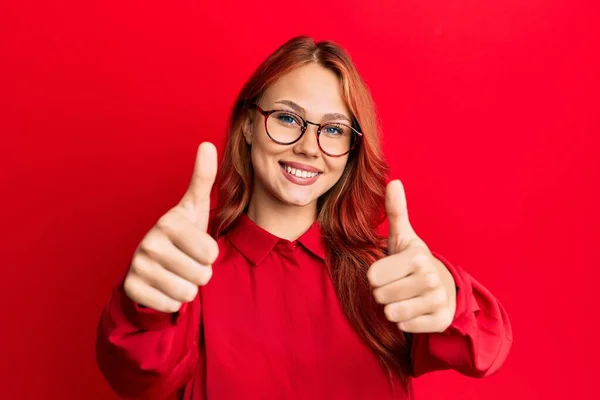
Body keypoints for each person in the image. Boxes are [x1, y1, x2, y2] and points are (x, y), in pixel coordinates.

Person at [96, 36, 512, 400]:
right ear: (247, 126)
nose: (310, 147)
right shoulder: (190, 275)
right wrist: (146, 307)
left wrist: (447, 292)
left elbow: (484, 350)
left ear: (351, 149)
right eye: (288, 118)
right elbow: (135, 375)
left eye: (333, 130)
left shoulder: (388, 277)